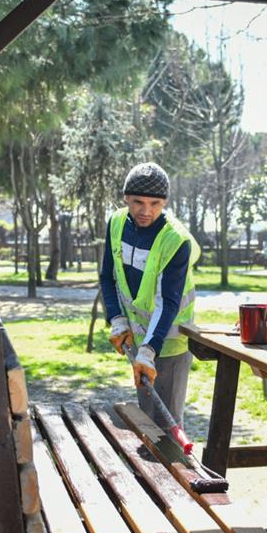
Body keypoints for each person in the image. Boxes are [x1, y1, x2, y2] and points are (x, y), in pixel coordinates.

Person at [99, 162, 200, 428]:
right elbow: (107, 276)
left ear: (165, 202)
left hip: (169, 340)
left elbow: (168, 302)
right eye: (138, 202)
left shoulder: (175, 240)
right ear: (125, 198)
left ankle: (179, 470)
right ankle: (152, 471)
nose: (146, 211)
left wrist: (149, 350)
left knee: (167, 425)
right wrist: (117, 319)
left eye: (155, 203)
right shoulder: (117, 223)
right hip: (139, 336)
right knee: (148, 421)